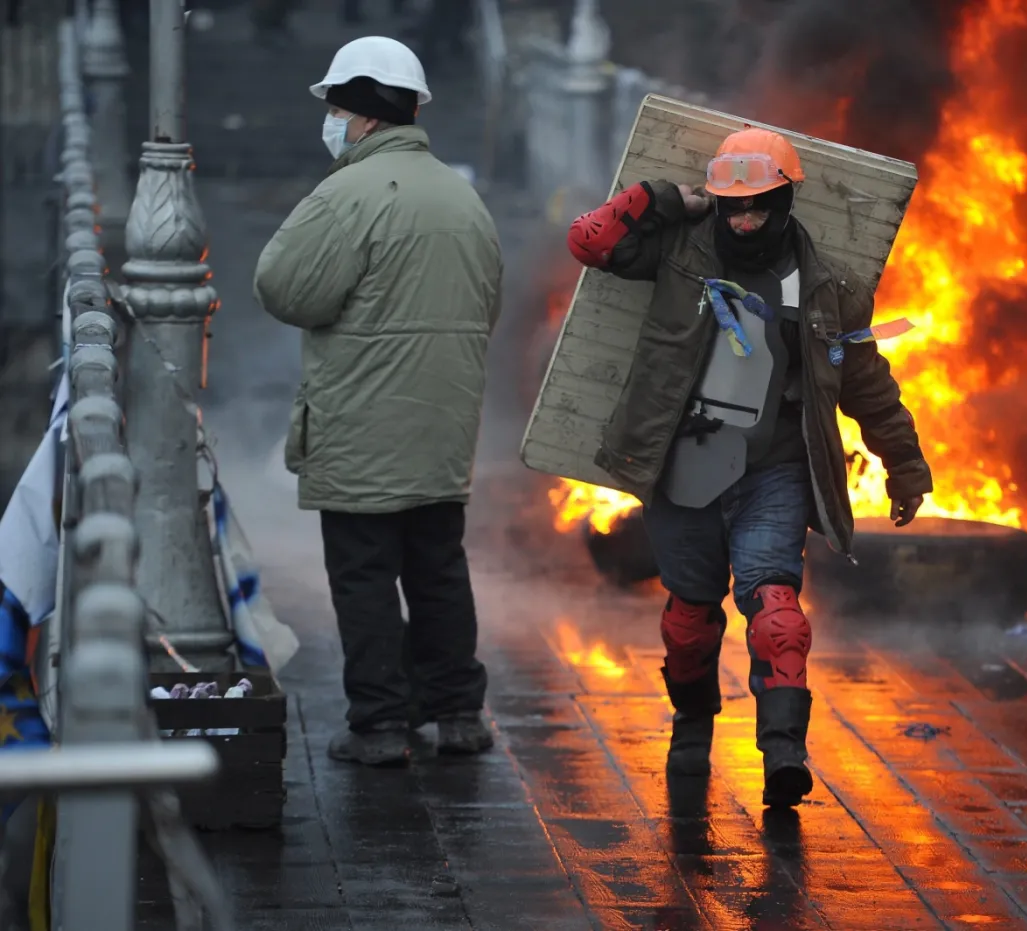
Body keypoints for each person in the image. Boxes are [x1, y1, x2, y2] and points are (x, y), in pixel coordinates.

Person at [565, 128, 932, 807]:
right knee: (689, 618)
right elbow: (589, 240)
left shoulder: (825, 287)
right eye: (733, 204)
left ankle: (784, 751)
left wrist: (905, 468)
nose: (744, 219)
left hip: (775, 467)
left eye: (760, 204)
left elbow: (868, 384)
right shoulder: (679, 253)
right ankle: (693, 725)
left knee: (778, 612)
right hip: (682, 463)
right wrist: (663, 198)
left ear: (786, 201)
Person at [253, 36, 504, 767]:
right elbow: (488, 304)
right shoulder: (465, 198)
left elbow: (284, 288)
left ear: (362, 116)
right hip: (444, 425)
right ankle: (459, 712)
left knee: (364, 576)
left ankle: (381, 724)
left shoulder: (346, 195)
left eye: (336, 106)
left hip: (362, 427)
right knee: (438, 569)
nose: (332, 120)